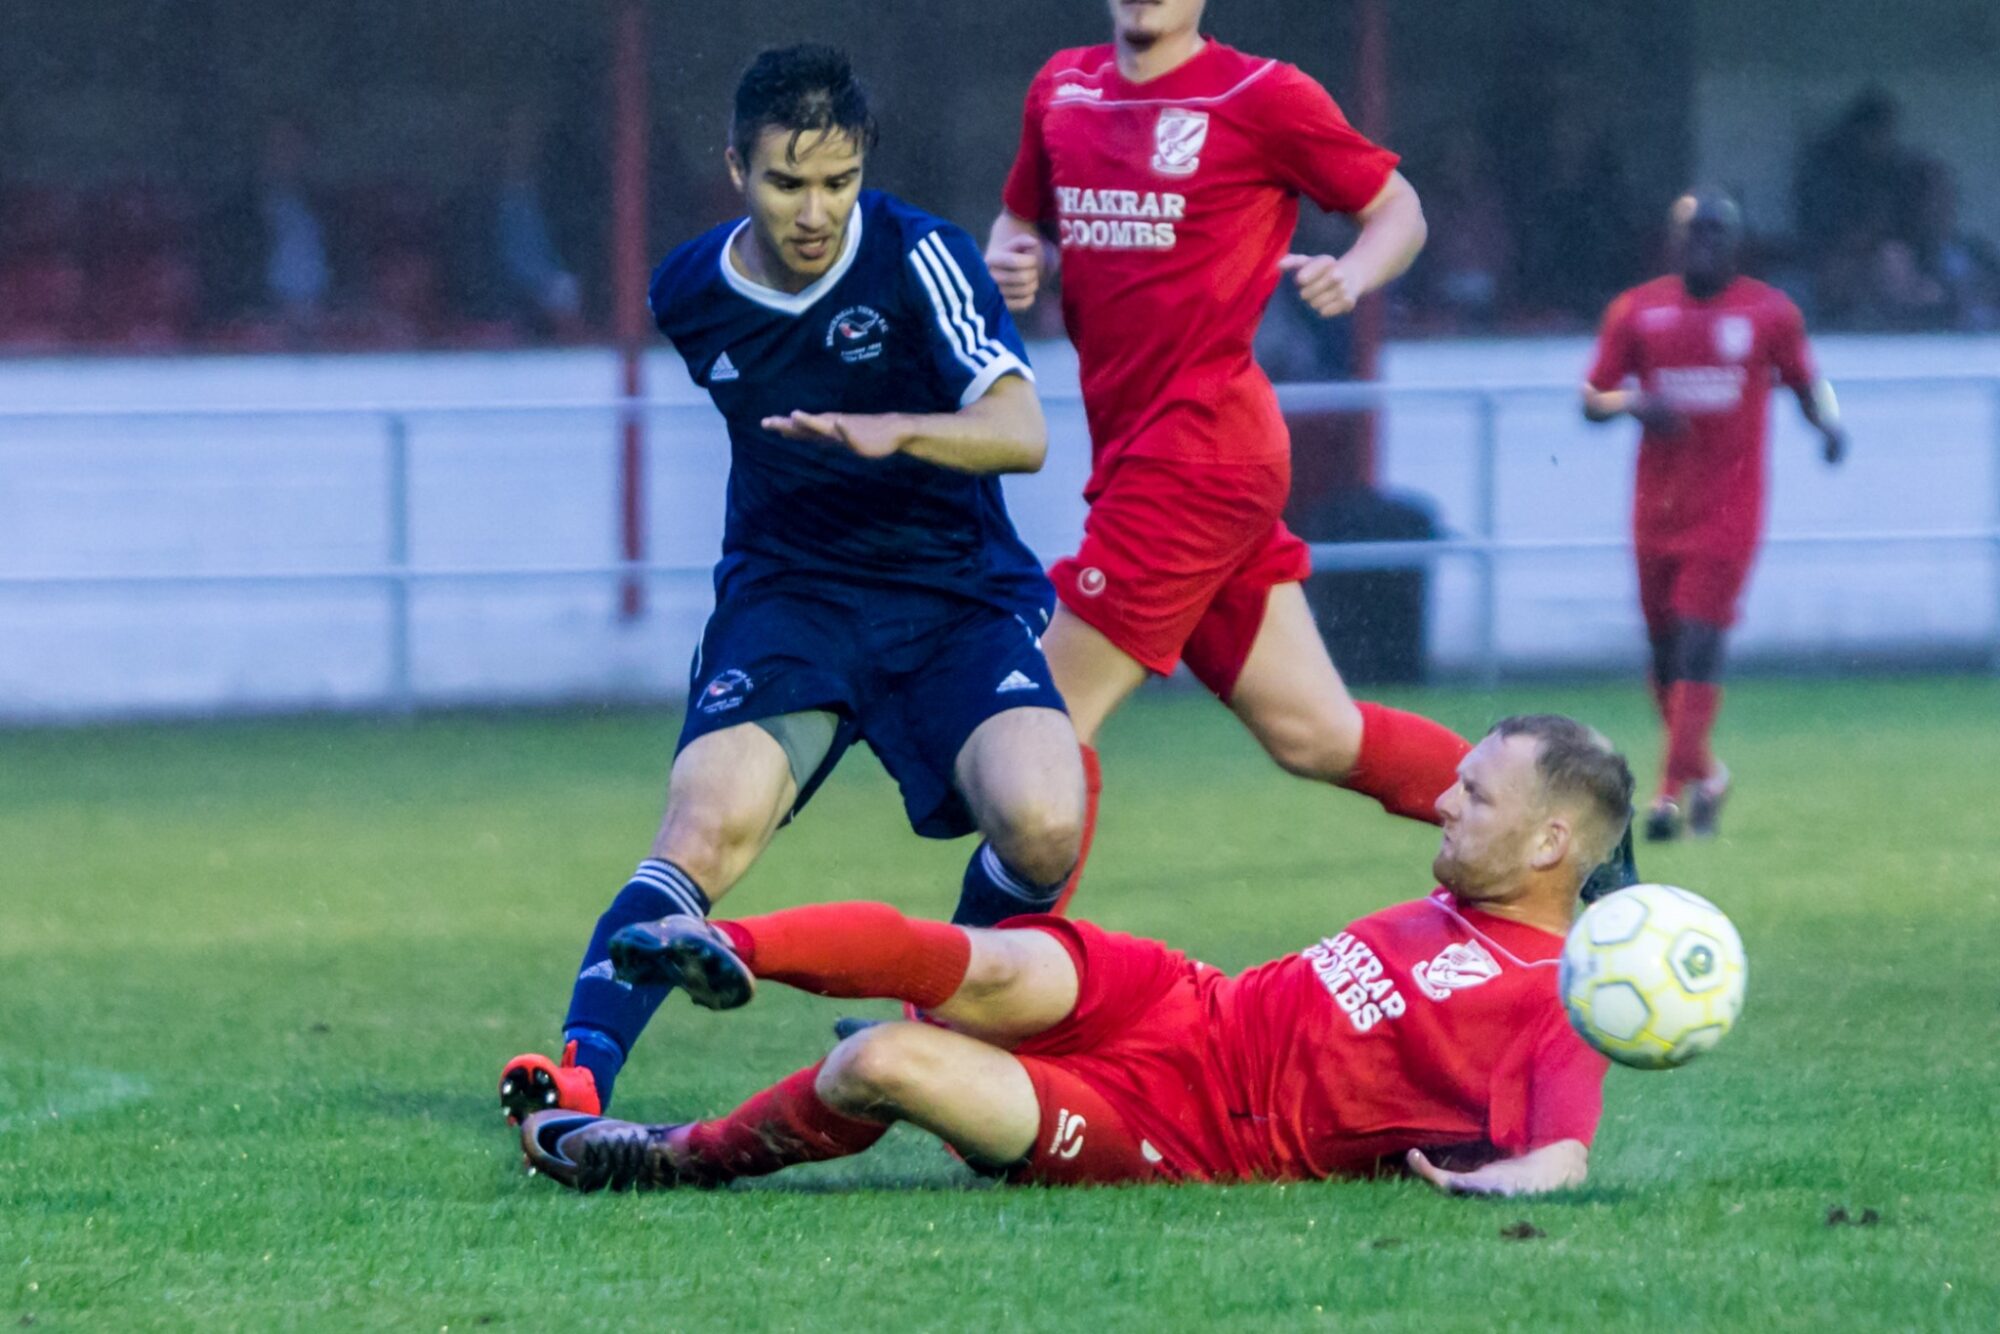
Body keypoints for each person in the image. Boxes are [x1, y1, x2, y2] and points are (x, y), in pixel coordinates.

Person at [498, 45, 1086, 1122]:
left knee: (1046, 820)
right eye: (785, 182)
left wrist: (895, 428)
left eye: (837, 181)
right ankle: (579, 1072)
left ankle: (943, 1035)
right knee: (703, 828)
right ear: (735, 168)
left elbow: (1023, 431)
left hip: (950, 600)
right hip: (791, 603)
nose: (814, 211)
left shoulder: (922, 260)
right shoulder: (688, 293)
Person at [520, 713, 1629, 1198]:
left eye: (1472, 793)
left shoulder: (1560, 993)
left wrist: (1498, 1183)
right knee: (983, 958)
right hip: (1187, 996)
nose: (1439, 797)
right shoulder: (1463, 896)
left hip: (1192, 1134)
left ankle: (670, 1155)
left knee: (882, 1071)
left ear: (1547, 843)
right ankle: (727, 941)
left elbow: (1561, 1153)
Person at [979, 0, 1502, 917]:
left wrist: (1358, 270)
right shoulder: (1061, 89)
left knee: (1042, 722)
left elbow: (1398, 209)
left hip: (1199, 458)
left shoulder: (1262, 95)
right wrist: (1015, 261)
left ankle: (966, 1008)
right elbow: (1018, 222)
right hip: (1150, 458)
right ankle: (1567, 832)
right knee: (1315, 733)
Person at [1583, 189, 1847, 841]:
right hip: (1656, 510)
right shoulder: (1638, 311)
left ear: (1734, 243)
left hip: (1730, 508)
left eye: (1715, 233)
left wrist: (1830, 428)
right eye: (1690, 233)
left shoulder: (1768, 312)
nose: (1703, 244)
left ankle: (1669, 796)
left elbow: (1805, 382)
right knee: (1665, 654)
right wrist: (1634, 405)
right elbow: (1592, 398)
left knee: (1702, 642)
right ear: (1672, 243)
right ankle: (1708, 774)